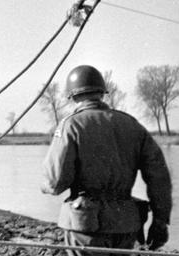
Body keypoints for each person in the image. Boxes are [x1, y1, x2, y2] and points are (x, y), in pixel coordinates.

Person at [42, 64, 172, 255]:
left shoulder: (71, 125)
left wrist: (45, 183)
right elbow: (159, 178)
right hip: (126, 224)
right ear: (102, 93)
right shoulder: (132, 125)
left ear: (72, 95)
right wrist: (160, 222)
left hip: (86, 225)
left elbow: (54, 183)